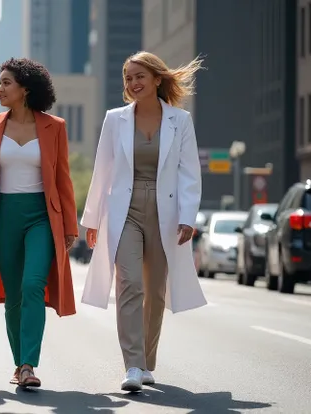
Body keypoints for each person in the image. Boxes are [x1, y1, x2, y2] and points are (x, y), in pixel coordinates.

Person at [80, 51, 206, 392]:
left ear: (156, 79)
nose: (133, 83)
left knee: (156, 292)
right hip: (126, 211)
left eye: (139, 76)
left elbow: (189, 172)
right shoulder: (115, 119)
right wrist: (92, 218)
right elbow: (103, 169)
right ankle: (133, 365)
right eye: (128, 78)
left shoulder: (180, 121)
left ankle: (148, 362)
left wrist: (187, 217)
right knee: (129, 285)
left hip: (165, 213)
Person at [0, 58, 78, 388]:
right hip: (3, 217)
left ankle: (29, 364)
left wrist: (69, 225)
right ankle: (19, 364)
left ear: (25, 89)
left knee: (33, 285)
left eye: (6, 83)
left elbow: (63, 178)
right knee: (13, 294)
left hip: (42, 216)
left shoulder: (54, 126)